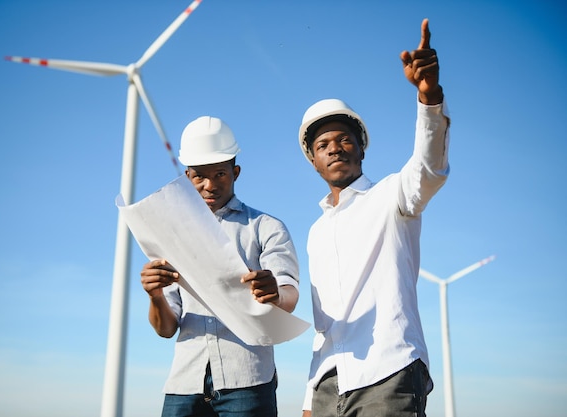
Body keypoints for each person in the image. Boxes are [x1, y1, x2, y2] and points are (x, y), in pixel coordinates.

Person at [299, 19, 449, 417]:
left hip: (389, 371)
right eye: (323, 144)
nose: (335, 149)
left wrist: (429, 96)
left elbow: (429, 168)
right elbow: (322, 322)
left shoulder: (392, 196)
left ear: (361, 149)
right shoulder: (315, 231)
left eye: (345, 139)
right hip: (328, 384)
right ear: (313, 161)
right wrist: (309, 396)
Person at [140, 115, 300, 417]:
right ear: (187, 177)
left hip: (248, 381)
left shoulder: (266, 227)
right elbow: (166, 329)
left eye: (220, 174)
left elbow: (289, 296)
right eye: (200, 176)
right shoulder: (169, 237)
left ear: (235, 172)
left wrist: (275, 293)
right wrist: (155, 295)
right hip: (184, 384)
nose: (210, 185)